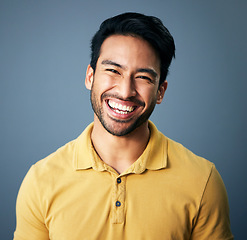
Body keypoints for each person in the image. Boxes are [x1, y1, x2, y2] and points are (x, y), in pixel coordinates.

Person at [14, 12, 233, 239]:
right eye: (113, 70)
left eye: (143, 77)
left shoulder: (202, 180)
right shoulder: (40, 181)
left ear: (160, 91)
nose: (125, 91)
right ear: (90, 76)